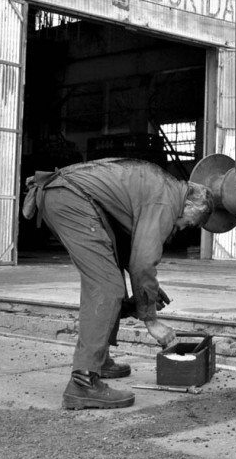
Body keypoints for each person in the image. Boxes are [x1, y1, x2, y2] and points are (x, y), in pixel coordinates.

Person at [22, 157, 213, 410]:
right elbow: (143, 264)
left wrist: (147, 292)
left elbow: (128, 252)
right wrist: (151, 321)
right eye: (189, 222)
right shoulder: (166, 202)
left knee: (112, 283)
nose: (181, 228)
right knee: (107, 286)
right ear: (189, 205)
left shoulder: (162, 188)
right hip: (71, 199)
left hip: (69, 195)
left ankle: (99, 361)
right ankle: (83, 382)